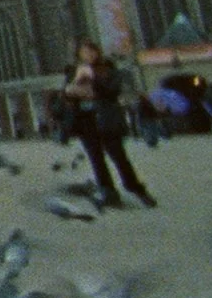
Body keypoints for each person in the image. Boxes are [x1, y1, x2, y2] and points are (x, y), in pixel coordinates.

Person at [62, 40, 157, 209]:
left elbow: (112, 90)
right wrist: (75, 85)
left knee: (120, 158)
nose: (89, 55)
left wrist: (92, 79)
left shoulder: (108, 69)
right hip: (85, 122)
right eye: (85, 52)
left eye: (92, 51)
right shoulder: (74, 71)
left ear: (97, 52)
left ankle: (137, 189)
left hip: (107, 120)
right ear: (79, 54)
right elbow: (67, 94)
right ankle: (109, 193)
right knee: (97, 160)